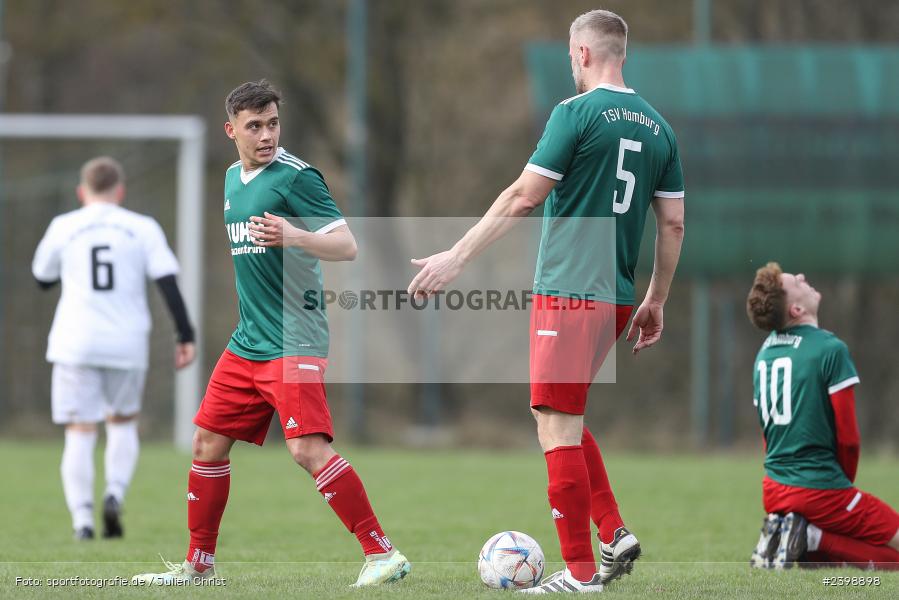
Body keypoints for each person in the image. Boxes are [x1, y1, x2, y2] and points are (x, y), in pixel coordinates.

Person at [407, 10, 684, 593]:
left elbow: (523, 197)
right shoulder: (660, 129)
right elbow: (674, 224)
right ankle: (612, 531)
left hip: (567, 293)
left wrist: (456, 256)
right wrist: (656, 298)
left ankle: (581, 575)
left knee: (555, 430)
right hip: (615, 297)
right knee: (562, 417)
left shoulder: (574, 113)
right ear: (621, 54)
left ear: (582, 54)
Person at [132, 80, 410, 586]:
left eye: (273, 123)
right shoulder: (231, 180)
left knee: (306, 449)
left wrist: (294, 235)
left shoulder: (297, 178)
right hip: (248, 341)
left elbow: (347, 246)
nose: (266, 135)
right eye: (254, 126)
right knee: (207, 444)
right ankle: (199, 568)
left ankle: (382, 554)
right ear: (231, 130)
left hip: (294, 337)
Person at [32, 156, 196, 540]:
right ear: (119, 191)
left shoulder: (64, 225)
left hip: (75, 341)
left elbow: (42, 279)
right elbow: (167, 282)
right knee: (122, 422)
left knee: (80, 429)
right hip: (127, 341)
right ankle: (114, 493)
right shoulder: (141, 227)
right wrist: (185, 334)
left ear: (81, 192)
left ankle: (82, 520)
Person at [746, 263, 899, 570]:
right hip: (820, 490)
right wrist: (840, 489)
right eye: (795, 281)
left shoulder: (764, 353)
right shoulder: (829, 349)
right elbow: (849, 438)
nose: (802, 276)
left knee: (858, 559)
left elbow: (768, 435)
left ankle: (802, 542)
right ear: (796, 308)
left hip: (774, 490)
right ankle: (813, 538)